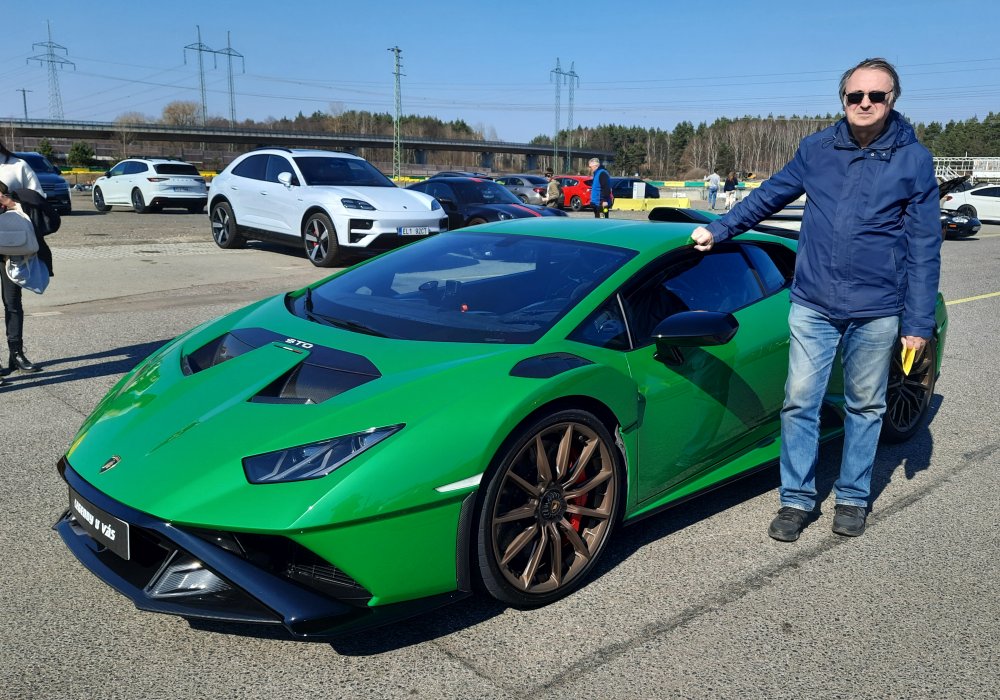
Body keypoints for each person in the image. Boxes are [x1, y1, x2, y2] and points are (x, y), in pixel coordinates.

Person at [689, 57, 941, 542]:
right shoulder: (816, 149)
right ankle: (796, 499)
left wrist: (917, 322)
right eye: (855, 95)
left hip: (877, 308)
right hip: (814, 304)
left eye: (876, 96)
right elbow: (768, 197)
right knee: (800, 402)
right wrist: (719, 230)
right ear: (843, 99)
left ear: (892, 100)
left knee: (866, 405)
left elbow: (925, 247)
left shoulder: (914, 160)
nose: (864, 103)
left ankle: (852, 498)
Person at [0, 140, 45, 384]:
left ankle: (16, 354)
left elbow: (39, 199)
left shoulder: (17, 166)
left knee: (13, 301)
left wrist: (10, 202)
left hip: (11, 243)